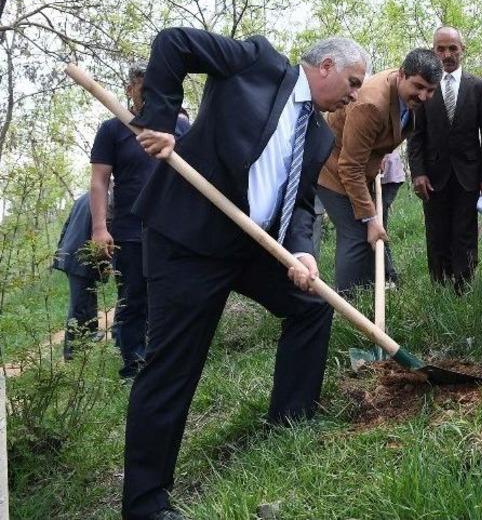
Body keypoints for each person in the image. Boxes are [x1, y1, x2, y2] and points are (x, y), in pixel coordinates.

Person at [121, 28, 367, 520]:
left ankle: (290, 422)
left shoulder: (319, 133)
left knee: (311, 305)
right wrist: (161, 118)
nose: (355, 95)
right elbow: (174, 43)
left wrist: (303, 252)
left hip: (250, 246)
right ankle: (145, 504)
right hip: (187, 239)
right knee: (174, 366)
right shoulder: (257, 63)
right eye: (353, 82)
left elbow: (299, 204)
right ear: (326, 68)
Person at [90, 67, 189, 379]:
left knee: (175, 294)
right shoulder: (113, 130)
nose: (146, 93)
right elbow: (99, 181)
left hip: (175, 230)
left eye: (154, 87)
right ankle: (134, 364)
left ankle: (170, 358)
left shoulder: (180, 127)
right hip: (131, 230)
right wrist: (99, 228)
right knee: (134, 297)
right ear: (130, 88)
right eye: (140, 86)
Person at [316, 49, 441, 296]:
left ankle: (371, 289)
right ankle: (348, 303)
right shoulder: (371, 105)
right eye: (419, 87)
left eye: (431, 90)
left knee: (368, 232)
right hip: (333, 170)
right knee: (356, 233)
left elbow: (385, 133)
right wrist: (371, 218)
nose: (424, 96)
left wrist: (377, 155)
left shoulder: (407, 93)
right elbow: (349, 167)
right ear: (401, 74)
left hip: (358, 166)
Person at [408, 26, 482, 293]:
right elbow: (416, 134)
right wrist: (418, 173)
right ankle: (440, 287)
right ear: (433, 50)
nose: (447, 54)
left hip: (468, 174)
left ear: (462, 50)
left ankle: (464, 287)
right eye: (441, 49)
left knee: (464, 233)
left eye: (452, 48)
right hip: (433, 177)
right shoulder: (424, 88)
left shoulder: (479, 87)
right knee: (436, 233)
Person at [53, 192, 104, 360]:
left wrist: (59, 254)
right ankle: (70, 352)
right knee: (78, 305)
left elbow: (66, 226)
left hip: (70, 254)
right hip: (79, 257)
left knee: (89, 296)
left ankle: (91, 334)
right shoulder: (103, 199)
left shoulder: (83, 198)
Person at [379, 148, 406, 286]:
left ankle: (390, 276)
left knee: (378, 226)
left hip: (387, 176)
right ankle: (381, 274)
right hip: (375, 175)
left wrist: (380, 155)